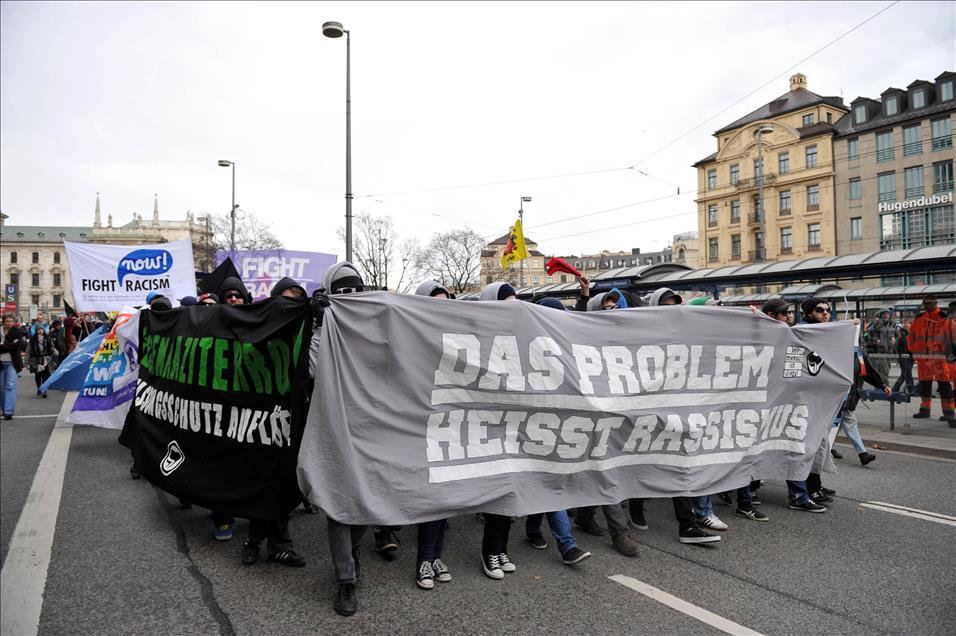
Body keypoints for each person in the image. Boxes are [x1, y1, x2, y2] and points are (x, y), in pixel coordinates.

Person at [310, 262, 370, 616]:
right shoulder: (322, 328)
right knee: (338, 506)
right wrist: (318, 326)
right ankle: (345, 580)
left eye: (356, 290)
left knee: (367, 503)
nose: (351, 297)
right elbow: (315, 369)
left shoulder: (377, 327)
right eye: (342, 291)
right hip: (333, 428)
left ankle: (352, 551)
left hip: (372, 431)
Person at [238, 278, 307, 567]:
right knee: (261, 481)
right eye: (285, 300)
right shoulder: (256, 328)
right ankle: (254, 540)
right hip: (258, 418)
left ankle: (279, 544)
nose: (289, 306)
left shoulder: (305, 328)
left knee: (284, 482)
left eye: (296, 301)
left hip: (291, 418)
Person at [522, 295, 592, 566]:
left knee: (549, 484)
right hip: (534, 426)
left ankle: (532, 528)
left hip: (560, 424)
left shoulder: (566, 347)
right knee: (552, 485)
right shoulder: (528, 348)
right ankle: (567, 546)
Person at [475, 282, 525, 577]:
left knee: (510, 490)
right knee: (496, 490)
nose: (512, 305)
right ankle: (489, 552)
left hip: (514, 424)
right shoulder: (480, 336)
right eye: (505, 300)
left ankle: (501, 549)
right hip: (487, 425)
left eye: (515, 300)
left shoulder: (522, 334)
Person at [761, 299, 828, 514]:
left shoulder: (792, 335)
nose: (788, 316)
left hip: (791, 403)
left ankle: (800, 494)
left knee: (795, 446)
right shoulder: (759, 336)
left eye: (789, 312)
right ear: (771, 315)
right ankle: (746, 490)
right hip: (763, 402)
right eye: (783, 314)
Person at [410, 280, 456, 590]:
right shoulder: (412, 341)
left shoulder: (455, 339)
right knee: (433, 496)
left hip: (452, 426)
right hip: (421, 426)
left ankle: (436, 556)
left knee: (447, 497)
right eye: (435, 303)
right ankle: (424, 560)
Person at [908, 296, 953, 424]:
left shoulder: (944, 317)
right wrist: (913, 350)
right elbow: (911, 335)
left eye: (929, 303)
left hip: (939, 359)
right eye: (925, 304)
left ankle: (949, 412)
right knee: (924, 386)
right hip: (924, 359)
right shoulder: (919, 318)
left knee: (944, 386)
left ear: (935, 303)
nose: (926, 306)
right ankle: (925, 409)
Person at [1, 314, 27, 420]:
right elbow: (12, 346)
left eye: (11, 321)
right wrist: (9, 345)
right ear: (3, 321)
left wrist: (2, 345)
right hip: (0, 362)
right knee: (1, 388)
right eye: (7, 321)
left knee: (10, 386)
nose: (9, 323)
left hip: (12, 362)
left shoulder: (17, 331)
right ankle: (3, 408)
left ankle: (8, 411)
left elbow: (17, 346)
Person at [28, 326, 55, 398]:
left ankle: (44, 389)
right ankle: (39, 389)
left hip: (46, 358)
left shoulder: (48, 338)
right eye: (38, 329)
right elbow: (28, 350)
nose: (40, 331)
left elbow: (52, 347)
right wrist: (26, 361)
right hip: (35, 359)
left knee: (46, 375)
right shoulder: (33, 339)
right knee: (38, 375)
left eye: (41, 329)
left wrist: (54, 353)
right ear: (36, 331)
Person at [892, 318, 916, 396]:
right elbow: (901, 344)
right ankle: (911, 390)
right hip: (903, 357)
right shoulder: (901, 332)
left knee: (904, 375)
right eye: (905, 323)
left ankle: (895, 389)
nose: (907, 325)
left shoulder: (912, 333)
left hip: (911, 357)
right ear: (902, 324)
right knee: (908, 375)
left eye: (908, 323)